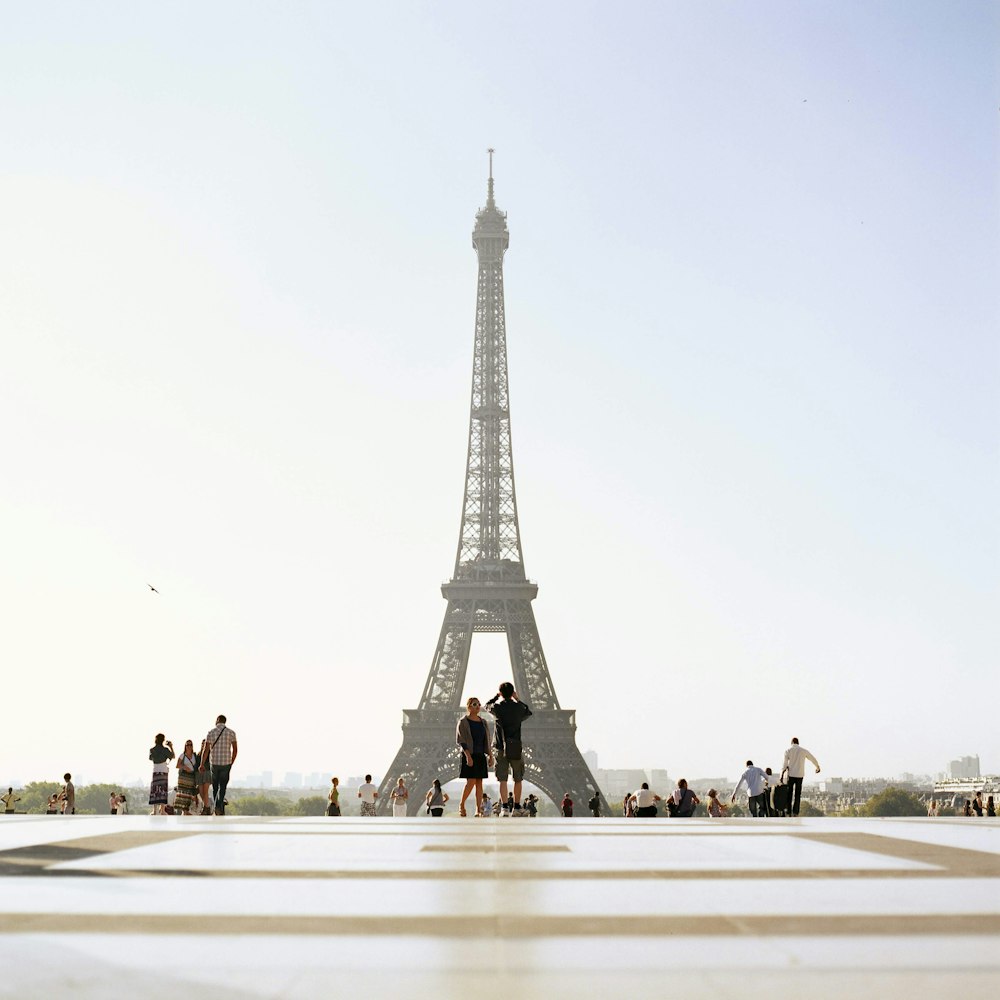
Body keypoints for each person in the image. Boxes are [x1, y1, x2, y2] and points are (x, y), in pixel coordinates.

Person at [484, 682, 532, 815]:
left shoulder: (498, 708)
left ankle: (504, 807)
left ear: (501, 693)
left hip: (500, 747)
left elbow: (486, 706)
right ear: (512, 693)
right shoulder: (518, 708)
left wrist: (496, 697)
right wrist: (517, 699)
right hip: (515, 747)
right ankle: (516, 807)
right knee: (518, 778)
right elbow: (528, 712)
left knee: (503, 779)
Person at [456, 696, 493, 817]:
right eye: (474, 704)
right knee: (470, 782)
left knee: (479, 783)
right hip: (469, 754)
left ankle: (478, 809)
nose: (477, 706)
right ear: (468, 706)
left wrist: (491, 756)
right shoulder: (463, 722)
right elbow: (461, 740)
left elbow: (487, 740)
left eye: (478, 704)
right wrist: (468, 756)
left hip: (480, 755)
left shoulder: (483, 722)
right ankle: (461, 804)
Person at [204, 715, 237, 816]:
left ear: (217, 720)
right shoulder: (231, 732)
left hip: (214, 763)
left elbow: (206, 750)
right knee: (223, 786)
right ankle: (219, 805)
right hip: (226, 763)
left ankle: (217, 807)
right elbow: (235, 749)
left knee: (215, 787)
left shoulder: (211, 732)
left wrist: (202, 764)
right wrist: (232, 761)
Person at [782, 737, 821, 817]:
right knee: (797, 794)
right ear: (798, 743)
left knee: (789, 793)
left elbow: (785, 764)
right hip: (800, 774)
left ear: (791, 742)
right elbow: (812, 758)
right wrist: (817, 766)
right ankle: (796, 812)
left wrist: (782, 774)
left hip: (791, 774)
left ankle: (788, 811)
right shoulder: (803, 750)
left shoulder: (788, 751)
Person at [148, 736, 174, 815]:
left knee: (155, 789)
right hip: (163, 770)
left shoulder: (152, 750)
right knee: (163, 789)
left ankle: (154, 810)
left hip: (155, 770)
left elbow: (150, 758)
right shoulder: (165, 750)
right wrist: (171, 747)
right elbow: (172, 756)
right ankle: (162, 810)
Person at [174, 740, 198, 815]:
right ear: (185, 746)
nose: (189, 746)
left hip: (191, 777)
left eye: (190, 745)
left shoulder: (195, 755)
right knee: (183, 794)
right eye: (187, 745)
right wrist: (184, 767)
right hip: (183, 777)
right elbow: (177, 765)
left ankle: (186, 810)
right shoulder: (182, 755)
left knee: (189, 794)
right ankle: (184, 811)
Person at [195, 739, 212, 816]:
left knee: (205, 792)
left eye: (204, 744)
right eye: (202, 743)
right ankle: (207, 807)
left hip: (207, 772)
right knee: (201, 792)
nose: (203, 745)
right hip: (199, 774)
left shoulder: (209, 753)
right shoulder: (198, 754)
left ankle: (206, 808)